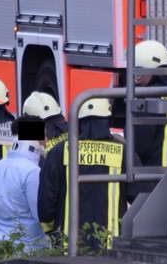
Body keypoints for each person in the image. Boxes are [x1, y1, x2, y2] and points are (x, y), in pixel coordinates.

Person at [38, 98, 136, 250]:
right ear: (108, 120)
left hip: (68, 248)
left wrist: (53, 232)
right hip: (112, 247)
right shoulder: (124, 151)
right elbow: (141, 195)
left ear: (77, 122)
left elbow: (46, 203)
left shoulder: (58, 151)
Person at [0, 117, 49, 251]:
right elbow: (40, 217)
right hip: (30, 252)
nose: (47, 141)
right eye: (45, 135)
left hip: (0, 248)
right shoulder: (32, 172)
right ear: (36, 140)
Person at [132, 40, 167, 168]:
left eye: (138, 72)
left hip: (155, 179)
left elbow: (137, 147)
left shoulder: (147, 101)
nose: (136, 79)